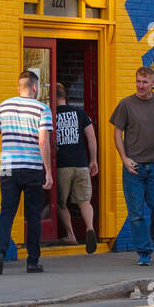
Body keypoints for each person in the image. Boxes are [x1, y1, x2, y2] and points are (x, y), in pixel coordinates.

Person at [0, 70, 54, 274]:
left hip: (8, 167)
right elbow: (43, 141)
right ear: (35, 87)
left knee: (7, 212)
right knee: (33, 215)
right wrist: (48, 171)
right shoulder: (43, 109)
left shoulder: (4, 106)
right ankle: (32, 262)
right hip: (32, 168)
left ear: (19, 87)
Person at [110, 66, 154, 267]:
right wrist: (124, 159)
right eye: (138, 81)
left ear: (153, 83)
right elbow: (117, 132)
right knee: (136, 213)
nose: (140, 85)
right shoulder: (126, 104)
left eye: (144, 82)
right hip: (133, 167)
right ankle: (144, 251)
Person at [52, 83, 99, 253]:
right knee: (84, 201)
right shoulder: (80, 113)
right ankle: (89, 228)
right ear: (65, 95)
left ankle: (70, 235)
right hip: (81, 163)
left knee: (59, 202)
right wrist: (93, 160)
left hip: (61, 165)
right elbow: (91, 137)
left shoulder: (50, 115)